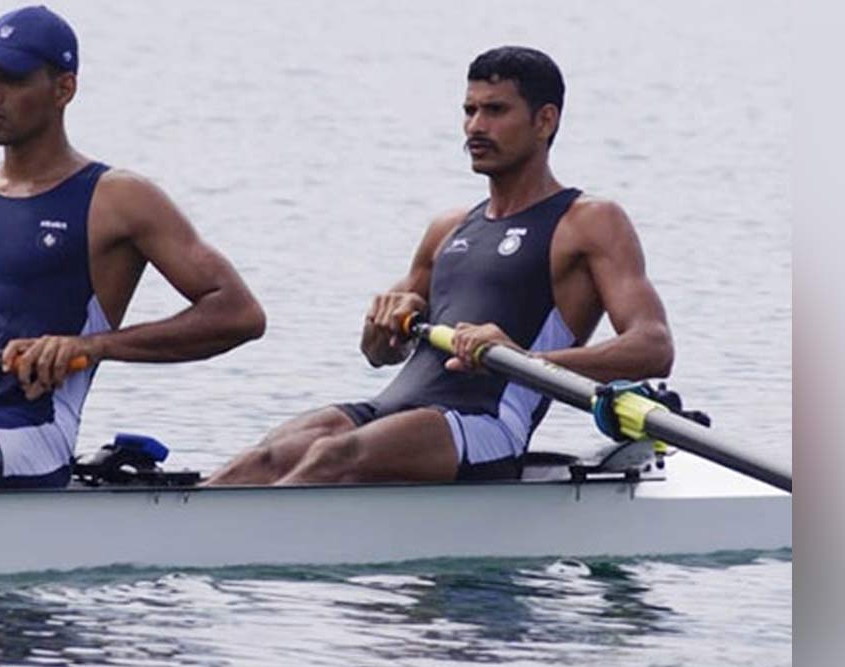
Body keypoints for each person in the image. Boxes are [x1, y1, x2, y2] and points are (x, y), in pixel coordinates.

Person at [207, 46, 672, 486]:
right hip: (392, 409)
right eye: (470, 110)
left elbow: (653, 347)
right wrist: (383, 322)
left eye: (495, 110)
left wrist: (525, 360)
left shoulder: (589, 222)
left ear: (544, 120)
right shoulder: (448, 229)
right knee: (263, 460)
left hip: (483, 424)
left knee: (333, 456)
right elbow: (377, 353)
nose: (475, 126)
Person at [0, 5, 265, 490]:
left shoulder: (118, 200)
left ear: (64, 89)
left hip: (30, 425)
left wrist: (92, 347)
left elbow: (238, 314)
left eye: (12, 79)